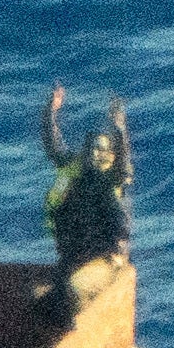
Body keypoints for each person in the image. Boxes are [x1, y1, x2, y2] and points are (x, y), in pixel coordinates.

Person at [40, 84, 132, 277]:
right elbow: (52, 142)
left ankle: (112, 258)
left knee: (115, 208)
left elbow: (123, 161)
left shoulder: (112, 176)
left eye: (103, 150)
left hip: (103, 242)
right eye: (93, 148)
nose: (97, 154)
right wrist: (51, 111)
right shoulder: (73, 165)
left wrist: (119, 128)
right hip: (72, 240)